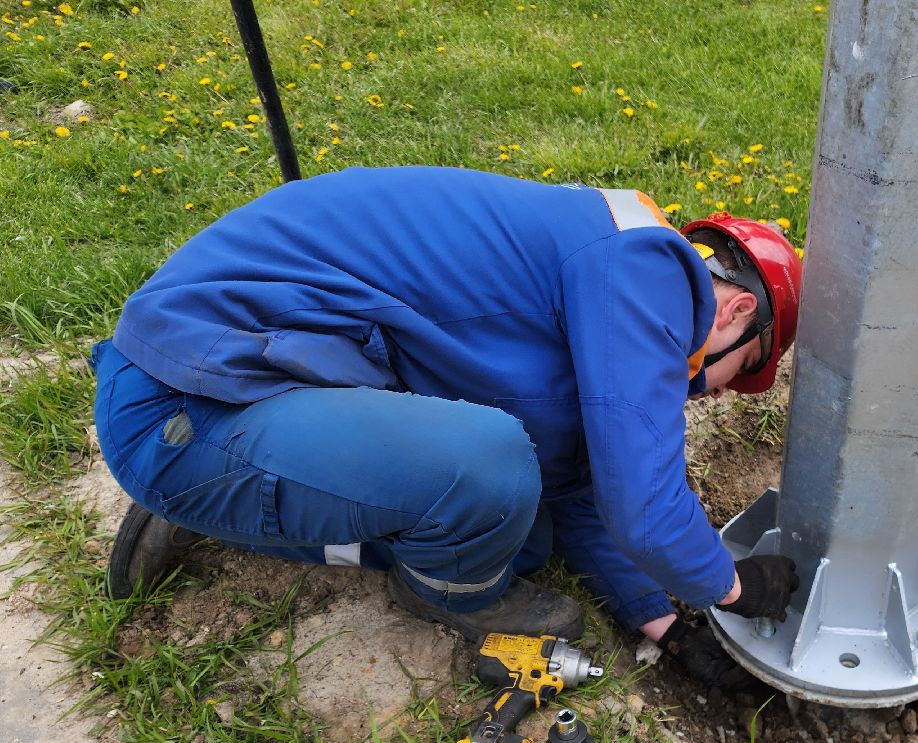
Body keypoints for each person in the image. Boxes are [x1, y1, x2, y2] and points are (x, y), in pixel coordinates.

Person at [93, 165, 801, 686]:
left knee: (523, 525)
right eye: (734, 377)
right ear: (736, 315)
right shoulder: (652, 276)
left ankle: (239, 484)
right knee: (488, 470)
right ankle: (240, 507)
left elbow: (584, 487)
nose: (705, 397)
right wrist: (736, 589)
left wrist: (666, 624)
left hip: (245, 375)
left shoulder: (600, 274)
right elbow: (641, 507)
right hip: (181, 397)